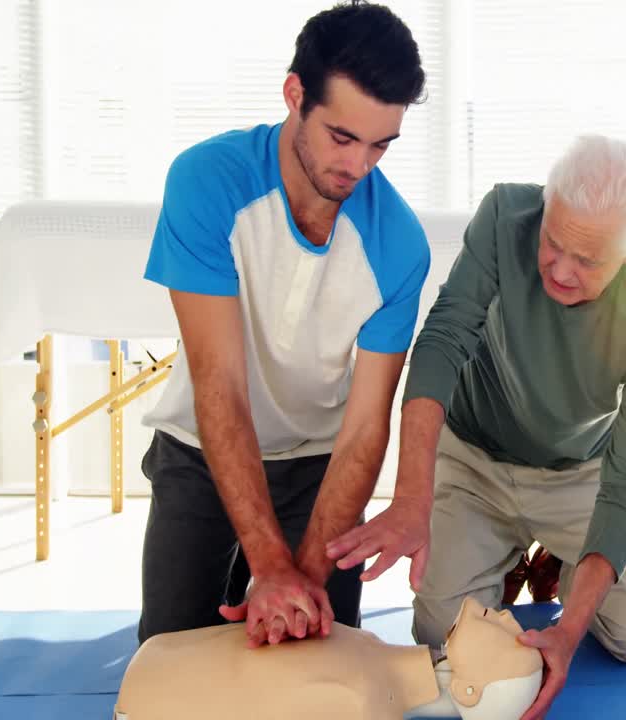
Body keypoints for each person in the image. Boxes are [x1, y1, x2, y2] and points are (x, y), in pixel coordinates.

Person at [327, 135, 626, 720]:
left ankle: (561, 561)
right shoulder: (504, 215)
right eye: (553, 241)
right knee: (436, 636)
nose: (561, 270)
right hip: (474, 459)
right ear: (545, 206)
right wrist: (412, 495)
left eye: (589, 259)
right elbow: (444, 338)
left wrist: (569, 632)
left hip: (581, 477)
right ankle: (506, 553)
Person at [136, 0, 429, 648]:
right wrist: (269, 566)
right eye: (342, 137)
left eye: (381, 144)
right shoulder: (206, 182)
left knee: (317, 666)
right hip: (200, 451)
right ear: (295, 94)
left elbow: (362, 429)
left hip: (318, 468)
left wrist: (303, 575)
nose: (359, 166)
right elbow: (220, 385)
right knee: (172, 664)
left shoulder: (400, 245)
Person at [115, 596, 543, 720]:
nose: (508, 616)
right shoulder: (373, 655)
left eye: (506, 639)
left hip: (151, 695)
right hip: (160, 668)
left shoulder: (363, 702)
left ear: (470, 691)